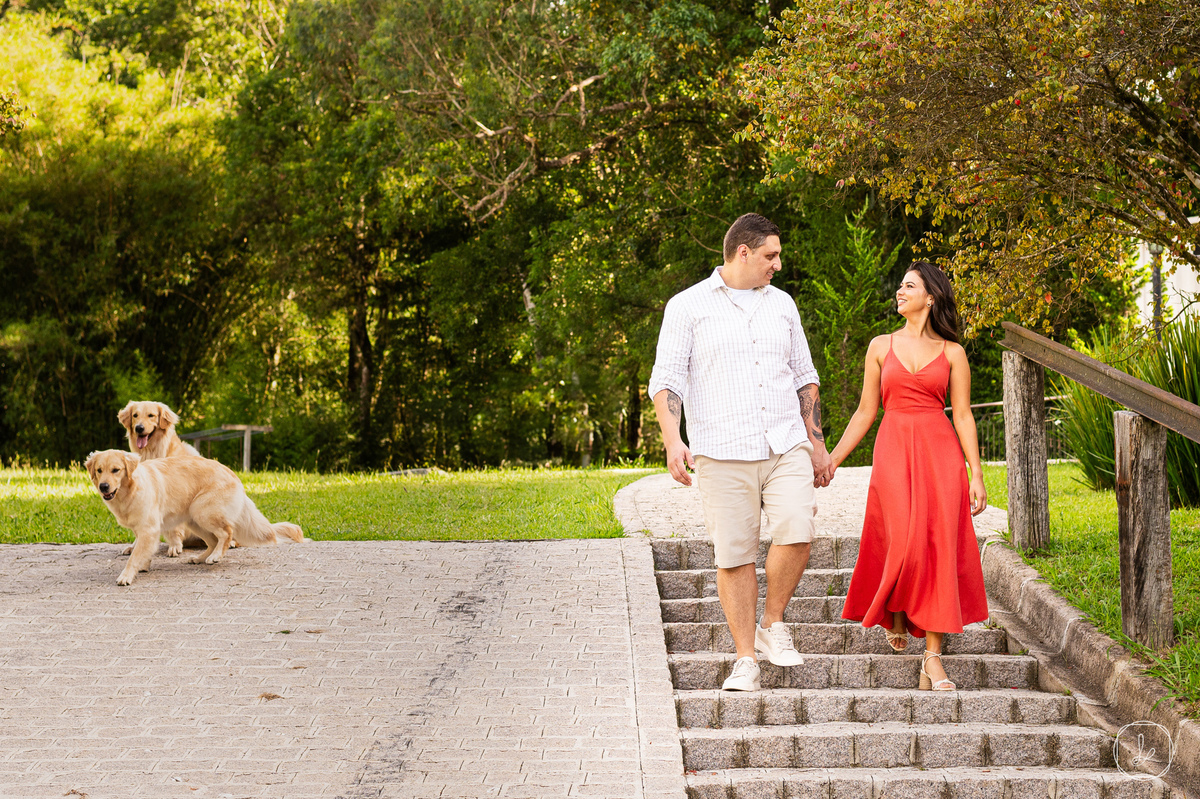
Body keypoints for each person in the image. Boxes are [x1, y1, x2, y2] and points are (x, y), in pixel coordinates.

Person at [648, 213, 831, 692]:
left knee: (798, 527)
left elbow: (804, 377)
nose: (778, 264)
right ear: (743, 252)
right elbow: (667, 381)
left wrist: (817, 443)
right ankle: (745, 658)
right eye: (771, 255)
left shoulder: (783, 305)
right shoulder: (687, 307)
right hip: (722, 448)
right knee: (734, 555)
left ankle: (772, 623)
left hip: (784, 441)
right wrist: (673, 440)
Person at [828, 261, 989, 692]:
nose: (900, 291)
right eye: (900, 285)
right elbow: (866, 412)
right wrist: (832, 460)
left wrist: (976, 473)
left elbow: (964, 415)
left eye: (909, 286)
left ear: (930, 297)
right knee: (902, 538)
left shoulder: (953, 353)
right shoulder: (881, 346)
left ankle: (932, 659)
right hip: (894, 450)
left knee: (936, 544)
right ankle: (895, 610)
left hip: (940, 454)